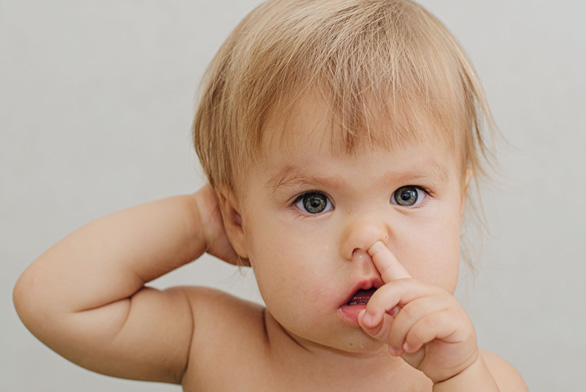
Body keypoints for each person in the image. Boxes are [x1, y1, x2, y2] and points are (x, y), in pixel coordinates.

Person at [13, 0, 528, 390]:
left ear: (459, 202)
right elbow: (53, 301)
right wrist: (197, 219)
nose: (368, 238)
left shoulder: (479, 377)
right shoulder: (212, 342)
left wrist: (457, 375)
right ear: (238, 221)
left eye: (409, 193)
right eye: (314, 201)